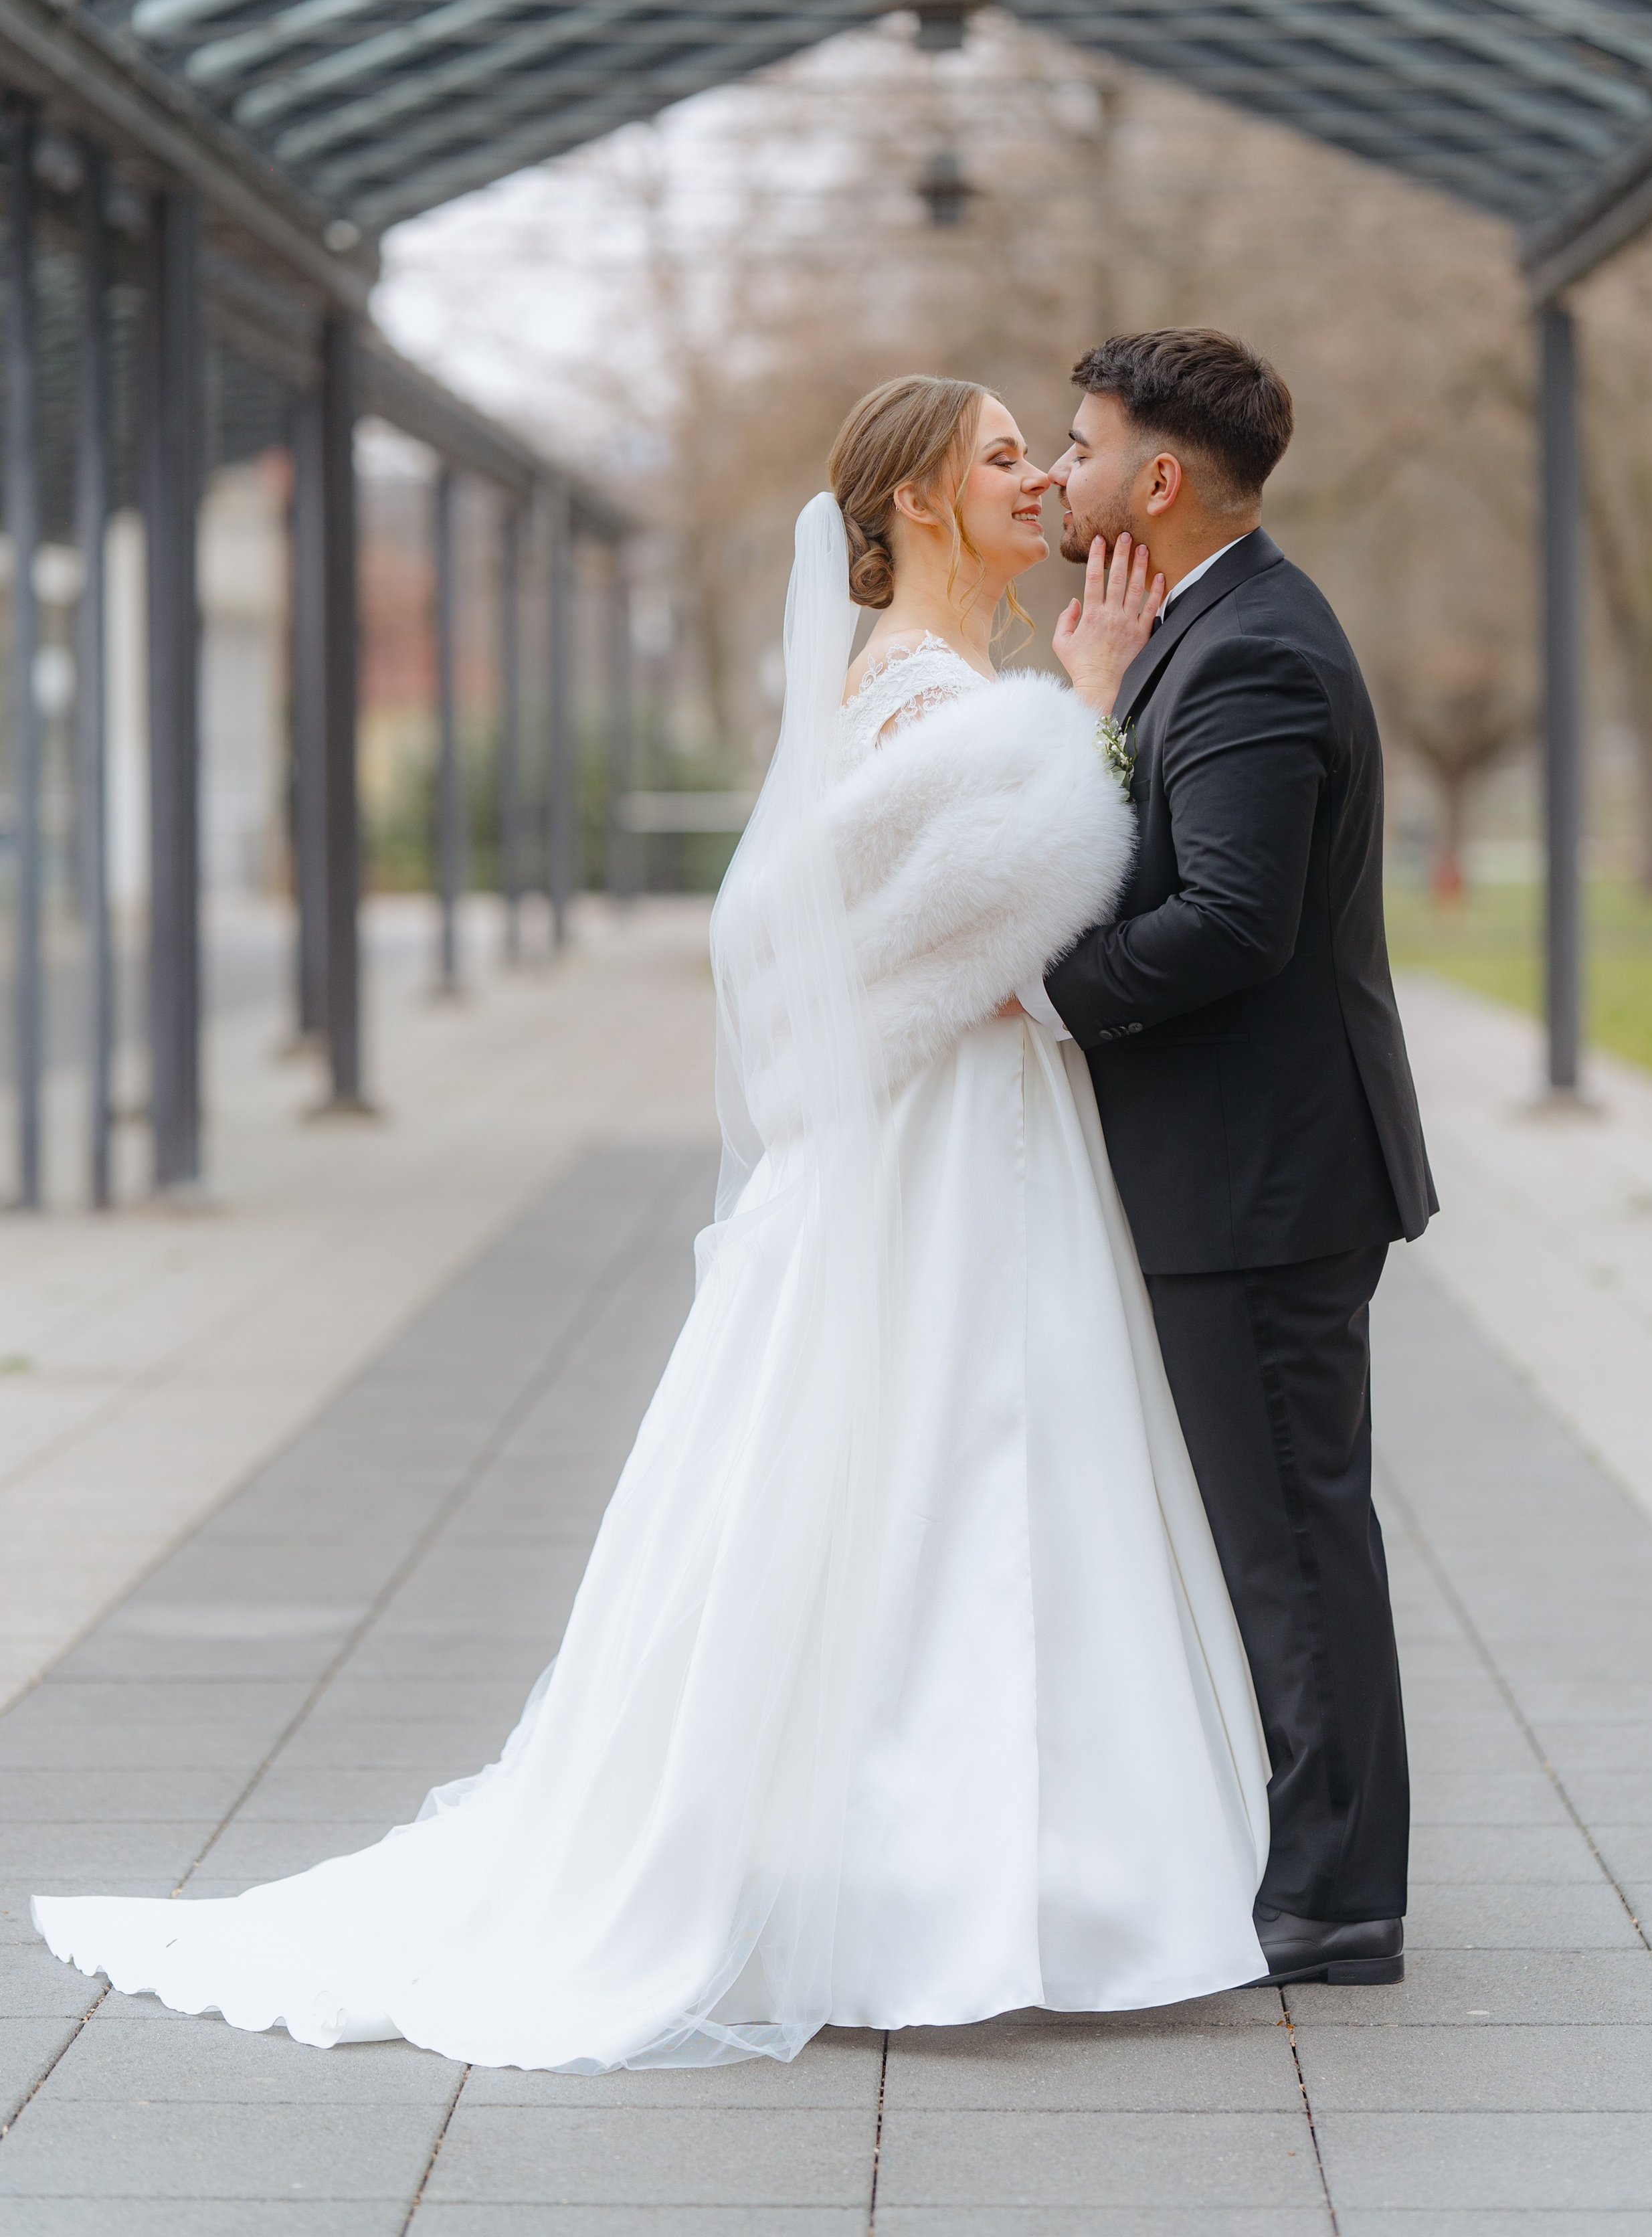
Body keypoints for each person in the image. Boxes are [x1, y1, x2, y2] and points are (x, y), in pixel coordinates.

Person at [34, 374, 1276, 2074]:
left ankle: (1012, 1868)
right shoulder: (927, 698)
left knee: (986, 1460)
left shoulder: (955, 688)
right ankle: (939, 1879)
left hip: (975, 1130)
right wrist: (1091, 707)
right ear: (917, 501)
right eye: (1001, 459)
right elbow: (1002, 897)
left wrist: (1067, 708)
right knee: (938, 1460)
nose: (1036, 487)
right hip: (935, 1144)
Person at [1025, 329, 1437, 1989]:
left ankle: (1335, 1901)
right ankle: (1303, 1860)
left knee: (1287, 1536)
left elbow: (1228, 927)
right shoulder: (1198, 632)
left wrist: (1028, 991)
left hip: (1262, 1182)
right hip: (1240, 1172)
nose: (1057, 473)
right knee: (1267, 1529)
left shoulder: (1254, 650)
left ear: (1159, 478)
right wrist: (1100, 710)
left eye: (1076, 444)